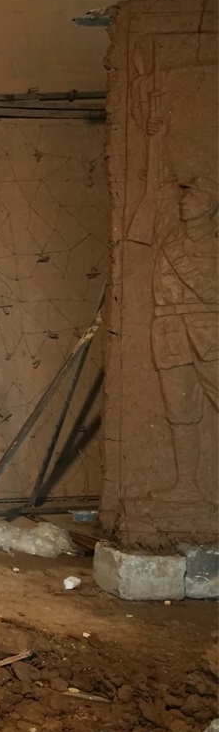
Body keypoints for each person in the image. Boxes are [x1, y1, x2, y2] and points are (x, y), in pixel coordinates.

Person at [150, 176, 219, 501]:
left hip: (208, 332)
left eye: (192, 197)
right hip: (170, 333)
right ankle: (187, 486)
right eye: (184, 196)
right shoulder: (171, 241)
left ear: (210, 204)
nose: (183, 202)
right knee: (180, 412)